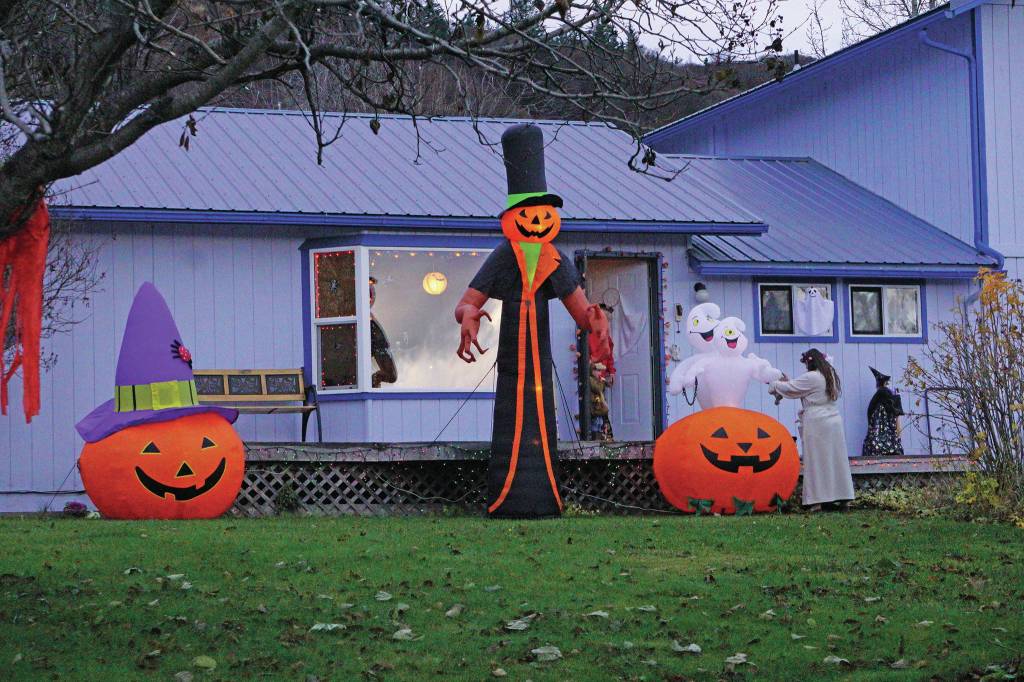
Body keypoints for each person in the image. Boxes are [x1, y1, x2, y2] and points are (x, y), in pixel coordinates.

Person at [769, 348, 854, 511]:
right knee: (836, 459)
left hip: (817, 420)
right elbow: (803, 387)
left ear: (810, 362)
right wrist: (790, 382)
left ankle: (817, 500)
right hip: (833, 418)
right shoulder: (829, 374)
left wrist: (774, 384)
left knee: (816, 460)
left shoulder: (812, 376)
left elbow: (792, 389)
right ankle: (844, 498)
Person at [862, 367, 905, 457]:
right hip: (890, 440)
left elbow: (870, 414)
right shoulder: (888, 395)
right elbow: (896, 413)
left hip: (878, 442)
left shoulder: (879, 395)